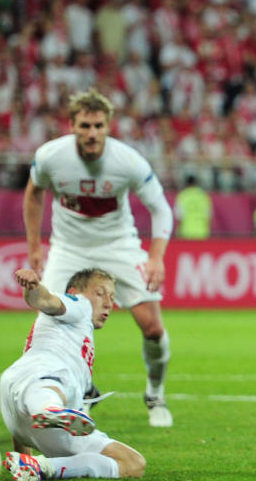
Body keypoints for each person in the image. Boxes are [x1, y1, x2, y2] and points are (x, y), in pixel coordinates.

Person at [23, 89, 174, 428]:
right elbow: (33, 193)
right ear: (72, 125)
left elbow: (161, 209)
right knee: (47, 323)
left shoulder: (128, 161)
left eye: (99, 126)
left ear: (108, 126)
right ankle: (80, 392)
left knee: (152, 327)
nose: (92, 133)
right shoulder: (50, 156)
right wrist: (35, 245)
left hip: (118, 244)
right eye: (85, 125)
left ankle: (155, 394)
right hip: (68, 247)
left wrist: (156, 257)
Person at [0, 267, 146, 481]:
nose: (108, 302)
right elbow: (45, 300)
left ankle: (39, 465)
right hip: (44, 388)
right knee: (133, 464)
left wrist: (22, 454)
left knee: (132, 464)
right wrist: (34, 286)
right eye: (100, 293)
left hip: (16, 403)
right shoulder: (79, 304)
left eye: (112, 297)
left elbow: (24, 387)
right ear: (74, 291)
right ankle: (48, 409)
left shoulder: (62, 341)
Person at [174, 174, 212, 240]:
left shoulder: (182, 195)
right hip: (202, 232)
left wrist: (177, 231)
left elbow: (179, 216)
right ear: (196, 183)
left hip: (186, 232)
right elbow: (208, 215)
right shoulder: (203, 196)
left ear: (186, 184)